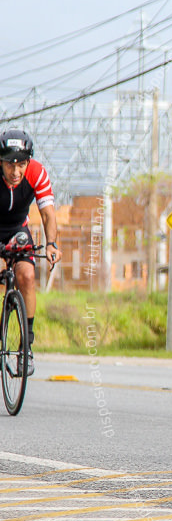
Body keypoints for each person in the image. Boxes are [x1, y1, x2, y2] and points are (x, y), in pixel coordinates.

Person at [0, 129, 62, 377]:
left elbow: (48, 213)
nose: (16, 173)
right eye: (9, 165)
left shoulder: (37, 172)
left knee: (26, 275)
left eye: (21, 165)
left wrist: (52, 244)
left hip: (18, 228)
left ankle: (26, 347)